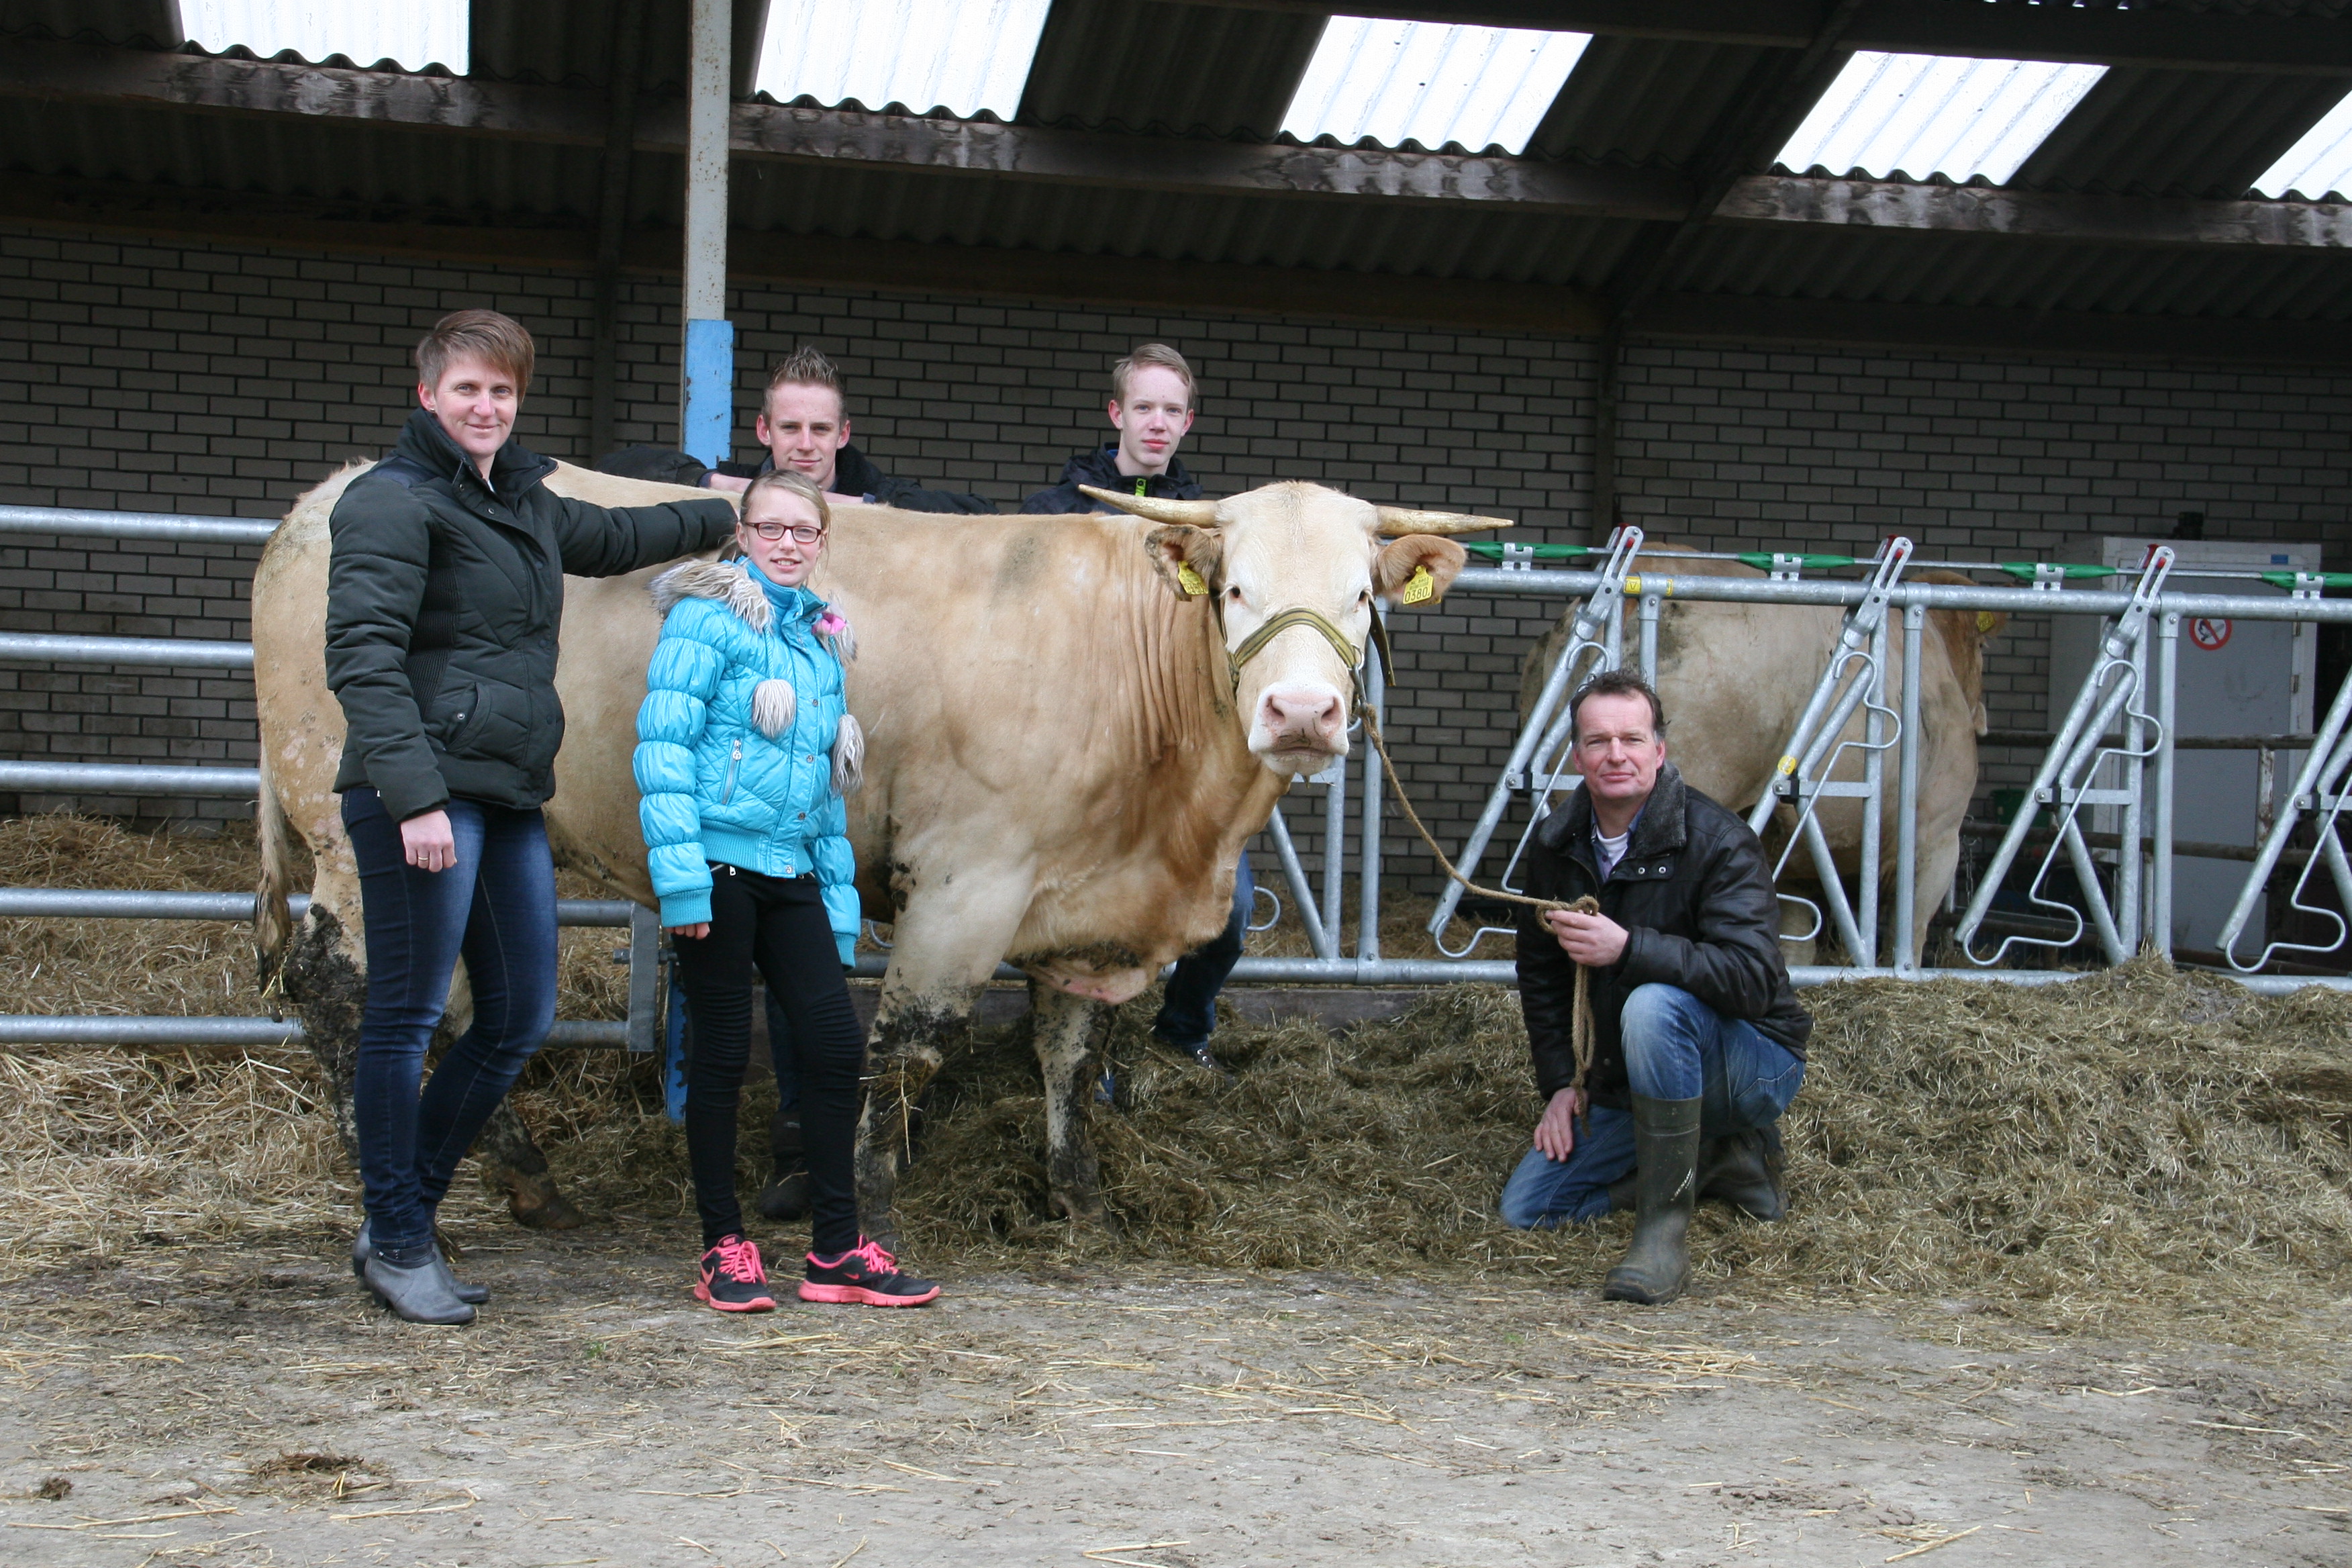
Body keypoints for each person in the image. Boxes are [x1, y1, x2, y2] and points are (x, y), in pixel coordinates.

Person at [328, 309, 740, 1325]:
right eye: (468, 388)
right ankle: (395, 1235)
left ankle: (402, 1221)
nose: (486, 406)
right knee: (409, 1017)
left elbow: (615, 538)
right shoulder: (392, 502)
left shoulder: (524, 501)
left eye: (503, 392)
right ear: (428, 395)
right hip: (423, 795)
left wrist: (727, 511)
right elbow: (363, 657)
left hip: (507, 792)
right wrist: (414, 797)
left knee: (518, 1015)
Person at [635, 467, 941, 1312]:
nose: (786, 544)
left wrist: (838, 912)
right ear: (742, 534)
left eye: (803, 532)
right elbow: (664, 750)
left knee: (837, 1047)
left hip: (796, 871)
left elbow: (826, 788)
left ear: (821, 542)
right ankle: (721, 1245)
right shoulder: (705, 620)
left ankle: (837, 1251)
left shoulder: (820, 640)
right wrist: (683, 884)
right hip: (721, 872)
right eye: (770, 529)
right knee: (725, 1057)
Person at [1499, 668, 1812, 1306]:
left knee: (1652, 1004)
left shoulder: (1720, 841)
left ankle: (1662, 1234)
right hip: (1626, 1074)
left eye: (1633, 740)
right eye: (1598, 741)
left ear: (1660, 751)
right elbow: (1541, 975)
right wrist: (1562, 1084)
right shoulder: (1557, 846)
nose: (1616, 755)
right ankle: (1717, 1163)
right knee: (1528, 1209)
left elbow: (1754, 979)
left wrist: (1629, 948)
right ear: (1577, 755)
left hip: (1751, 1061)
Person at [1022, 343, 1246, 1076]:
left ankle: (1182, 1033)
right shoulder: (1056, 513)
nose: (1157, 422)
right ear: (1117, 413)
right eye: (1143, 407)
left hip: (1173, 748)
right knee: (1079, 915)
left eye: (1172, 410)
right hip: (1075, 746)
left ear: (1189, 421)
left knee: (1233, 910)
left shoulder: (1209, 528)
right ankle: (1073, 1061)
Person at [599, 344, 992, 513]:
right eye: (790, 427)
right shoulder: (738, 486)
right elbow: (614, 469)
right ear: (763, 430)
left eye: (820, 429)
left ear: (843, 434)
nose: (806, 445)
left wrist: (859, 508)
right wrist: (723, 484)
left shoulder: (879, 494)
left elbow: (982, 512)